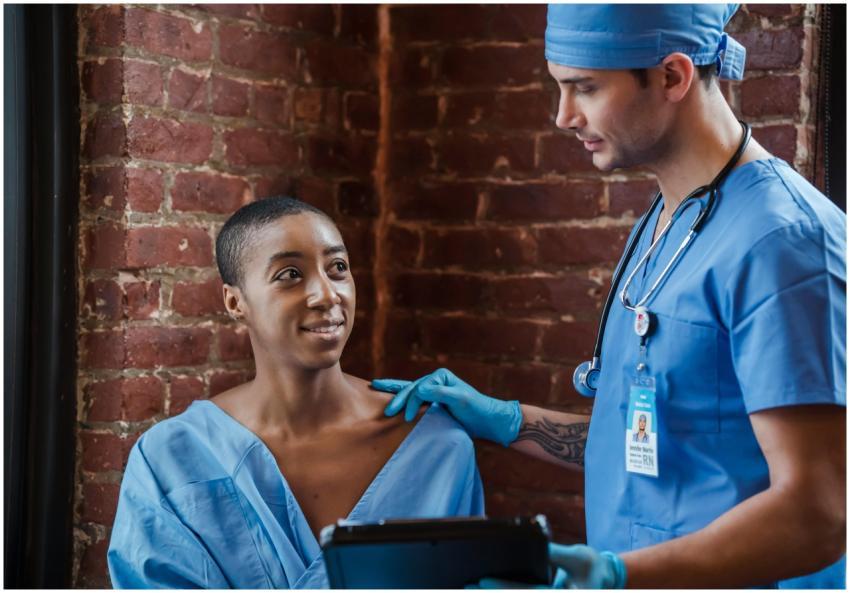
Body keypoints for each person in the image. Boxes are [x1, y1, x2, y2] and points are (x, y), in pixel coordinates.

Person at [373, 4, 846, 589]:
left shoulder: (783, 242)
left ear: (673, 76)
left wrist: (621, 575)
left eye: (585, 89)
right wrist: (506, 421)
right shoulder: (669, 219)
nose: (563, 116)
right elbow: (658, 442)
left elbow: (818, 514)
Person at [107, 197, 484, 588]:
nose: (326, 295)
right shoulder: (171, 458)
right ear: (235, 301)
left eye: (337, 268)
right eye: (289, 274)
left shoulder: (437, 447)